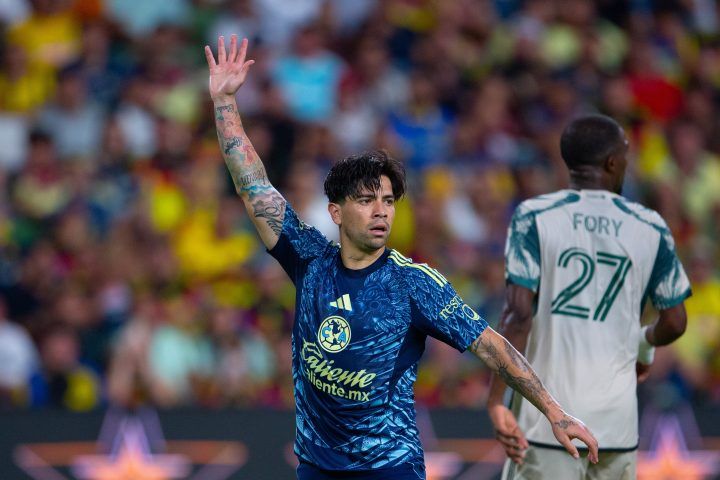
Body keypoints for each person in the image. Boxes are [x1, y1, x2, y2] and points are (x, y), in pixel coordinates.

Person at [205, 35, 599, 479]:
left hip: (390, 467)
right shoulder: (309, 259)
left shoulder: (414, 283)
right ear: (336, 212)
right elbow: (253, 186)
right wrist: (225, 101)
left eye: (389, 201)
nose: (381, 212)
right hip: (316, 467)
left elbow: (491, 346)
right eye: (366, 200)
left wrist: (554, 412)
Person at [488, 114, 690, 480]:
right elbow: (675, 321)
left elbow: (518, 315)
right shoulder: (650, 226)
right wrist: (643, 344)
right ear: (612, 162)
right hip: (617, 429)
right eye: (626, 154)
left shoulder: (534, 216)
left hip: (545, 424)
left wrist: (497, 399)